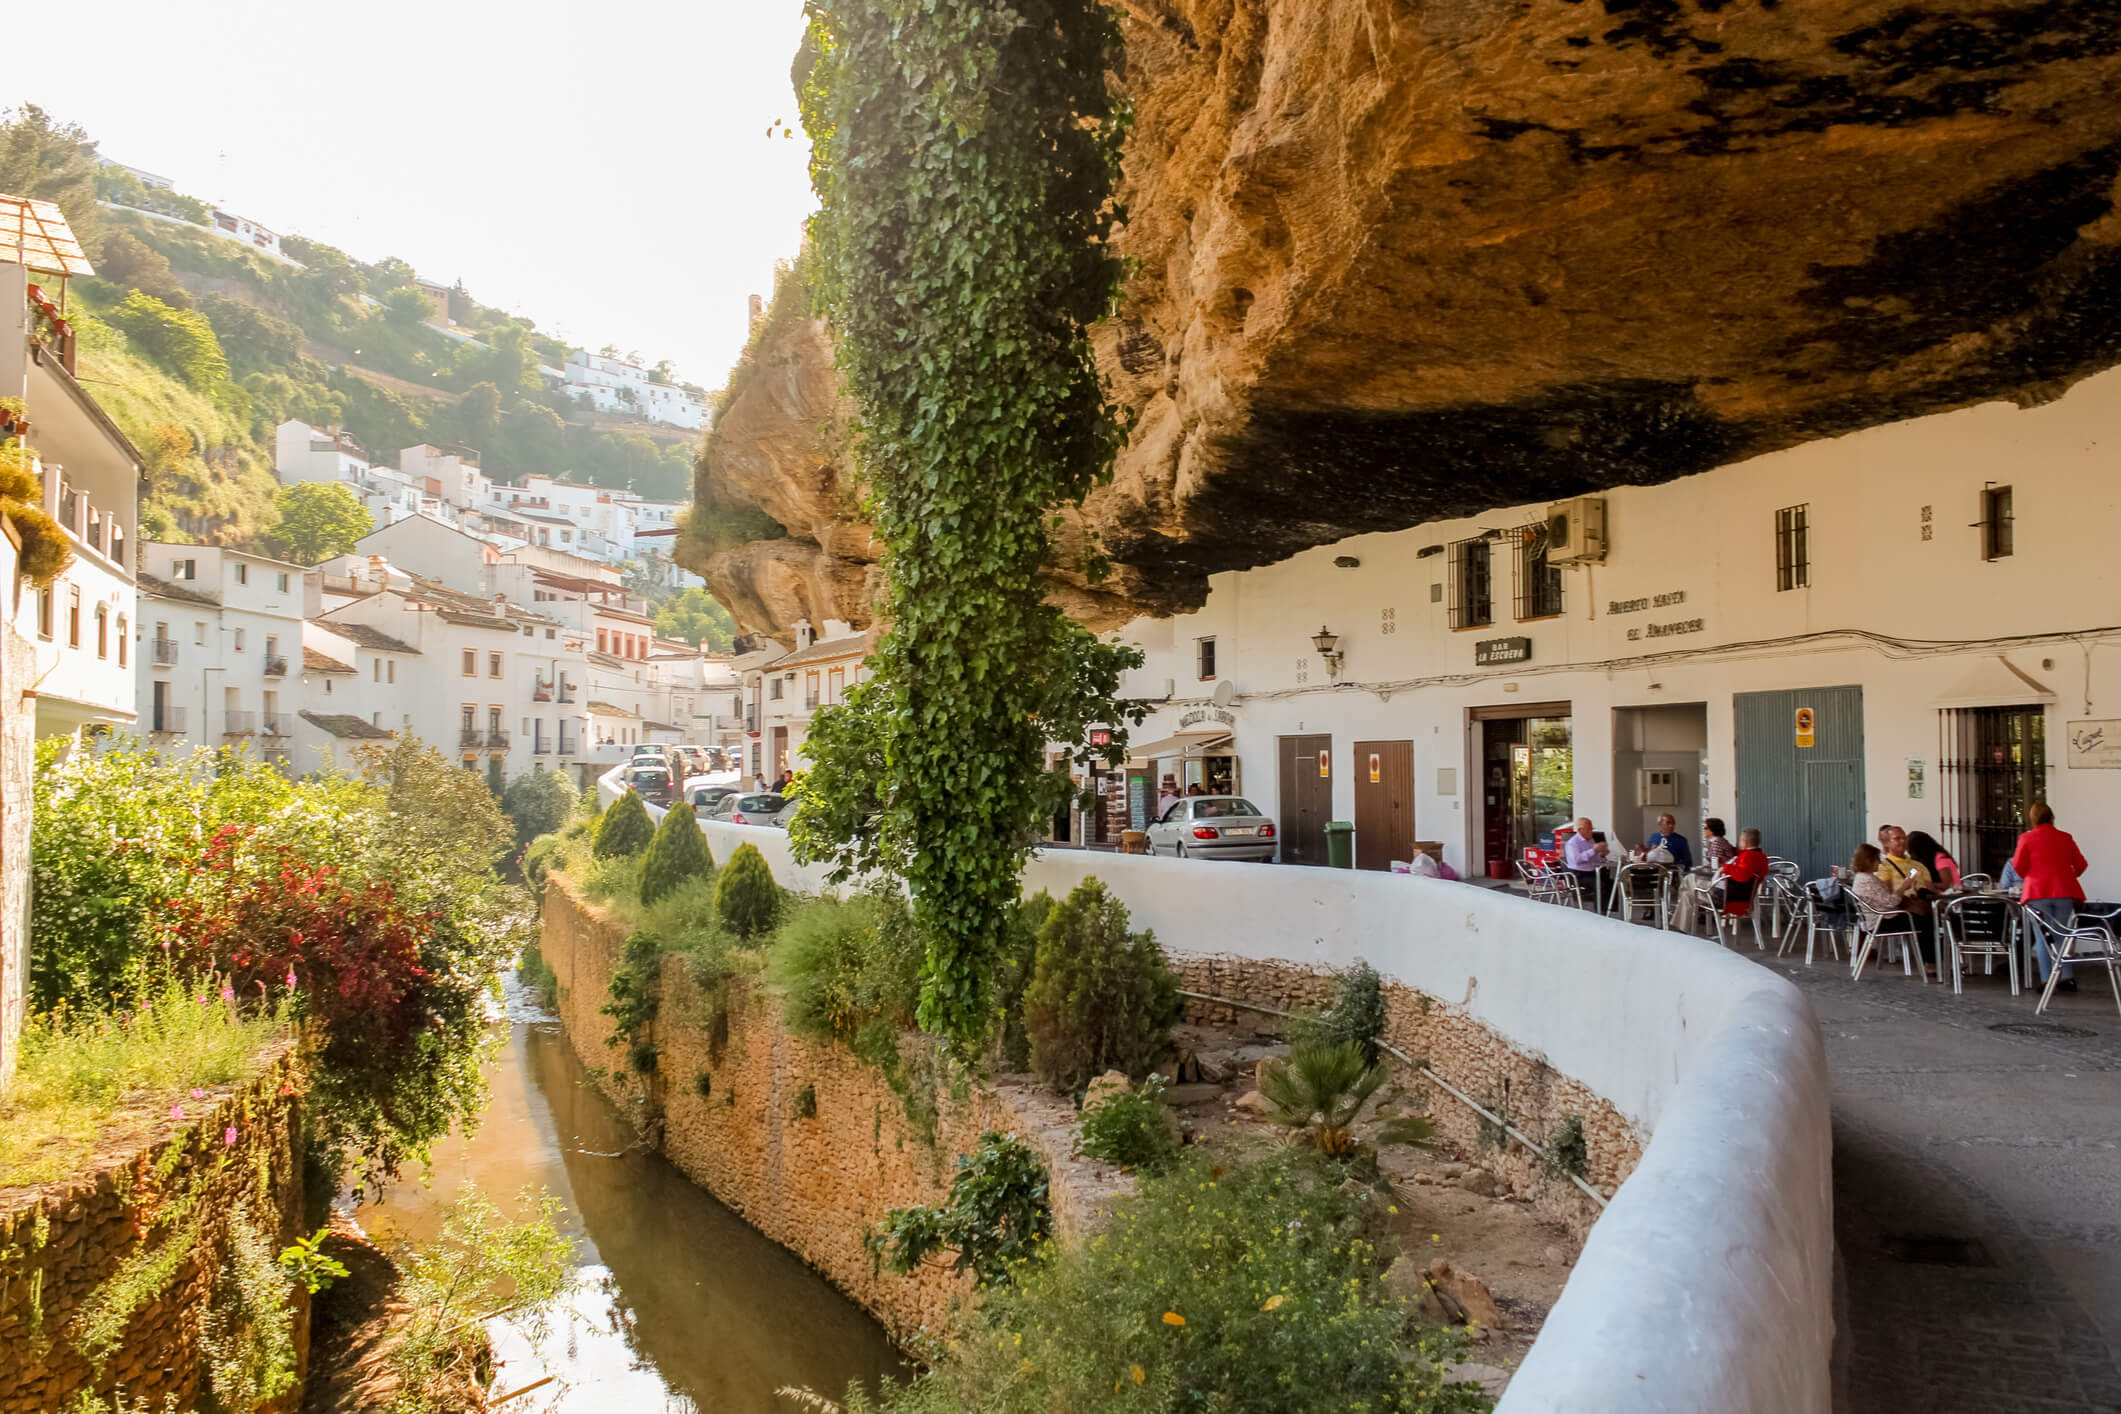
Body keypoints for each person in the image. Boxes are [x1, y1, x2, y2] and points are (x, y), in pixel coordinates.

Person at [2012, 802, 2088, 992]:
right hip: (2064, 891)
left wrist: (2031, 876)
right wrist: (2069, 875)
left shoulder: (2026, 839)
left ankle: (2047, 979)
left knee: (2042, 937)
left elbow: (2018, 866)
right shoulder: (2065, 838)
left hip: (2037, 893)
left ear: (2032, 819)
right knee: (2064, 935)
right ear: (2052, 817)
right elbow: (2081, 864)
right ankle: (2067, 978)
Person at [1562, 817, 1612, 909]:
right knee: (1601, 885)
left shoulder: (1590, 840)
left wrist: (1602, 854)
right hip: (1578, 874)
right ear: (1580, 830)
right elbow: (1577, 859)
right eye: (1589, 829)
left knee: (1611, 882)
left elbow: (1594, 860)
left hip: (1591, 871)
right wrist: (1593, 850)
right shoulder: (1572, 843)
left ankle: (1608, 910)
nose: (1591, 832)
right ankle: (1600, 912)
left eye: (1591, 829)